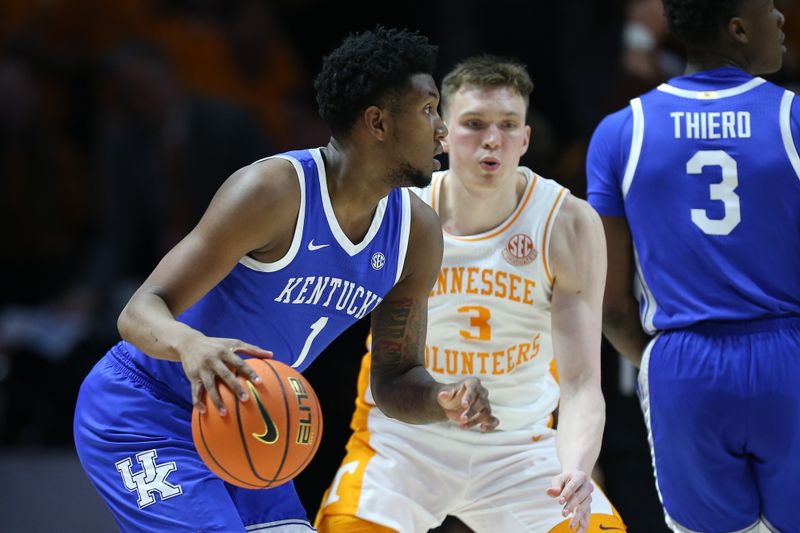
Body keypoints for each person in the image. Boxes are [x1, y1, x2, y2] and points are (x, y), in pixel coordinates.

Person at [73, 27, 499, 533]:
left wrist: (442, 399)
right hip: (145, 408)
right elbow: (139, 311)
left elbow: (395, 378)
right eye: (429, 109)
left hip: (252, 421)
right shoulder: (273, 192)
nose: (442, 130)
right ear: (377, 122)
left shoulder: (416, 234)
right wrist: (192, 345)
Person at [315, 55, 626, 533]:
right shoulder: (402, 210)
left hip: (520, 448)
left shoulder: (567, 222)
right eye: (474, 124)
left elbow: (583, 383)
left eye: (507, 125)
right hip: (405, 440)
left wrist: (577, 468)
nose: (492, 139)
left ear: (525, 138)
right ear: (442, 133)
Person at [586, 1, 800, 532]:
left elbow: (611, 309)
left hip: (683, 365)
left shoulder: (619, 132)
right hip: (789, 355)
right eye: (769, 7)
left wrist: (662, 363)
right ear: (738, 30)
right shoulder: (792, 119)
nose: (780, 18)